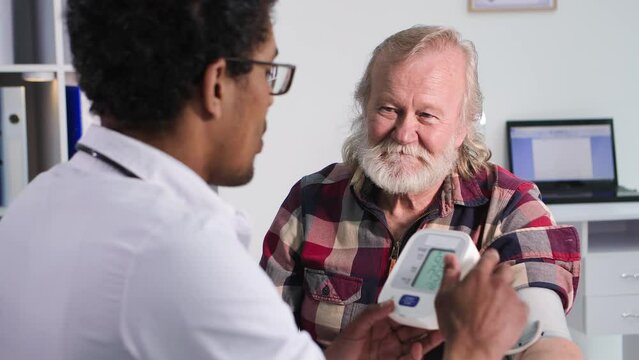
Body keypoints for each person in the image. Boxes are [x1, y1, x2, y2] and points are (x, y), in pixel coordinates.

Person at [0, 1, 447, 359]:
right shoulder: (180, 247)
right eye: (267, 71)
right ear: (217, 84)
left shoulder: (36, 202)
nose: (269, 99)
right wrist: (473, 347)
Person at [261, 25, 583, 359]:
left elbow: (549, 343)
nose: (403, 134)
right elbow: (260, 344)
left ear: (463, 127)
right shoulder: (311, 200)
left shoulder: (510, 209)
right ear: (364, 107)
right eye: (388, 109)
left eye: (426, 115)